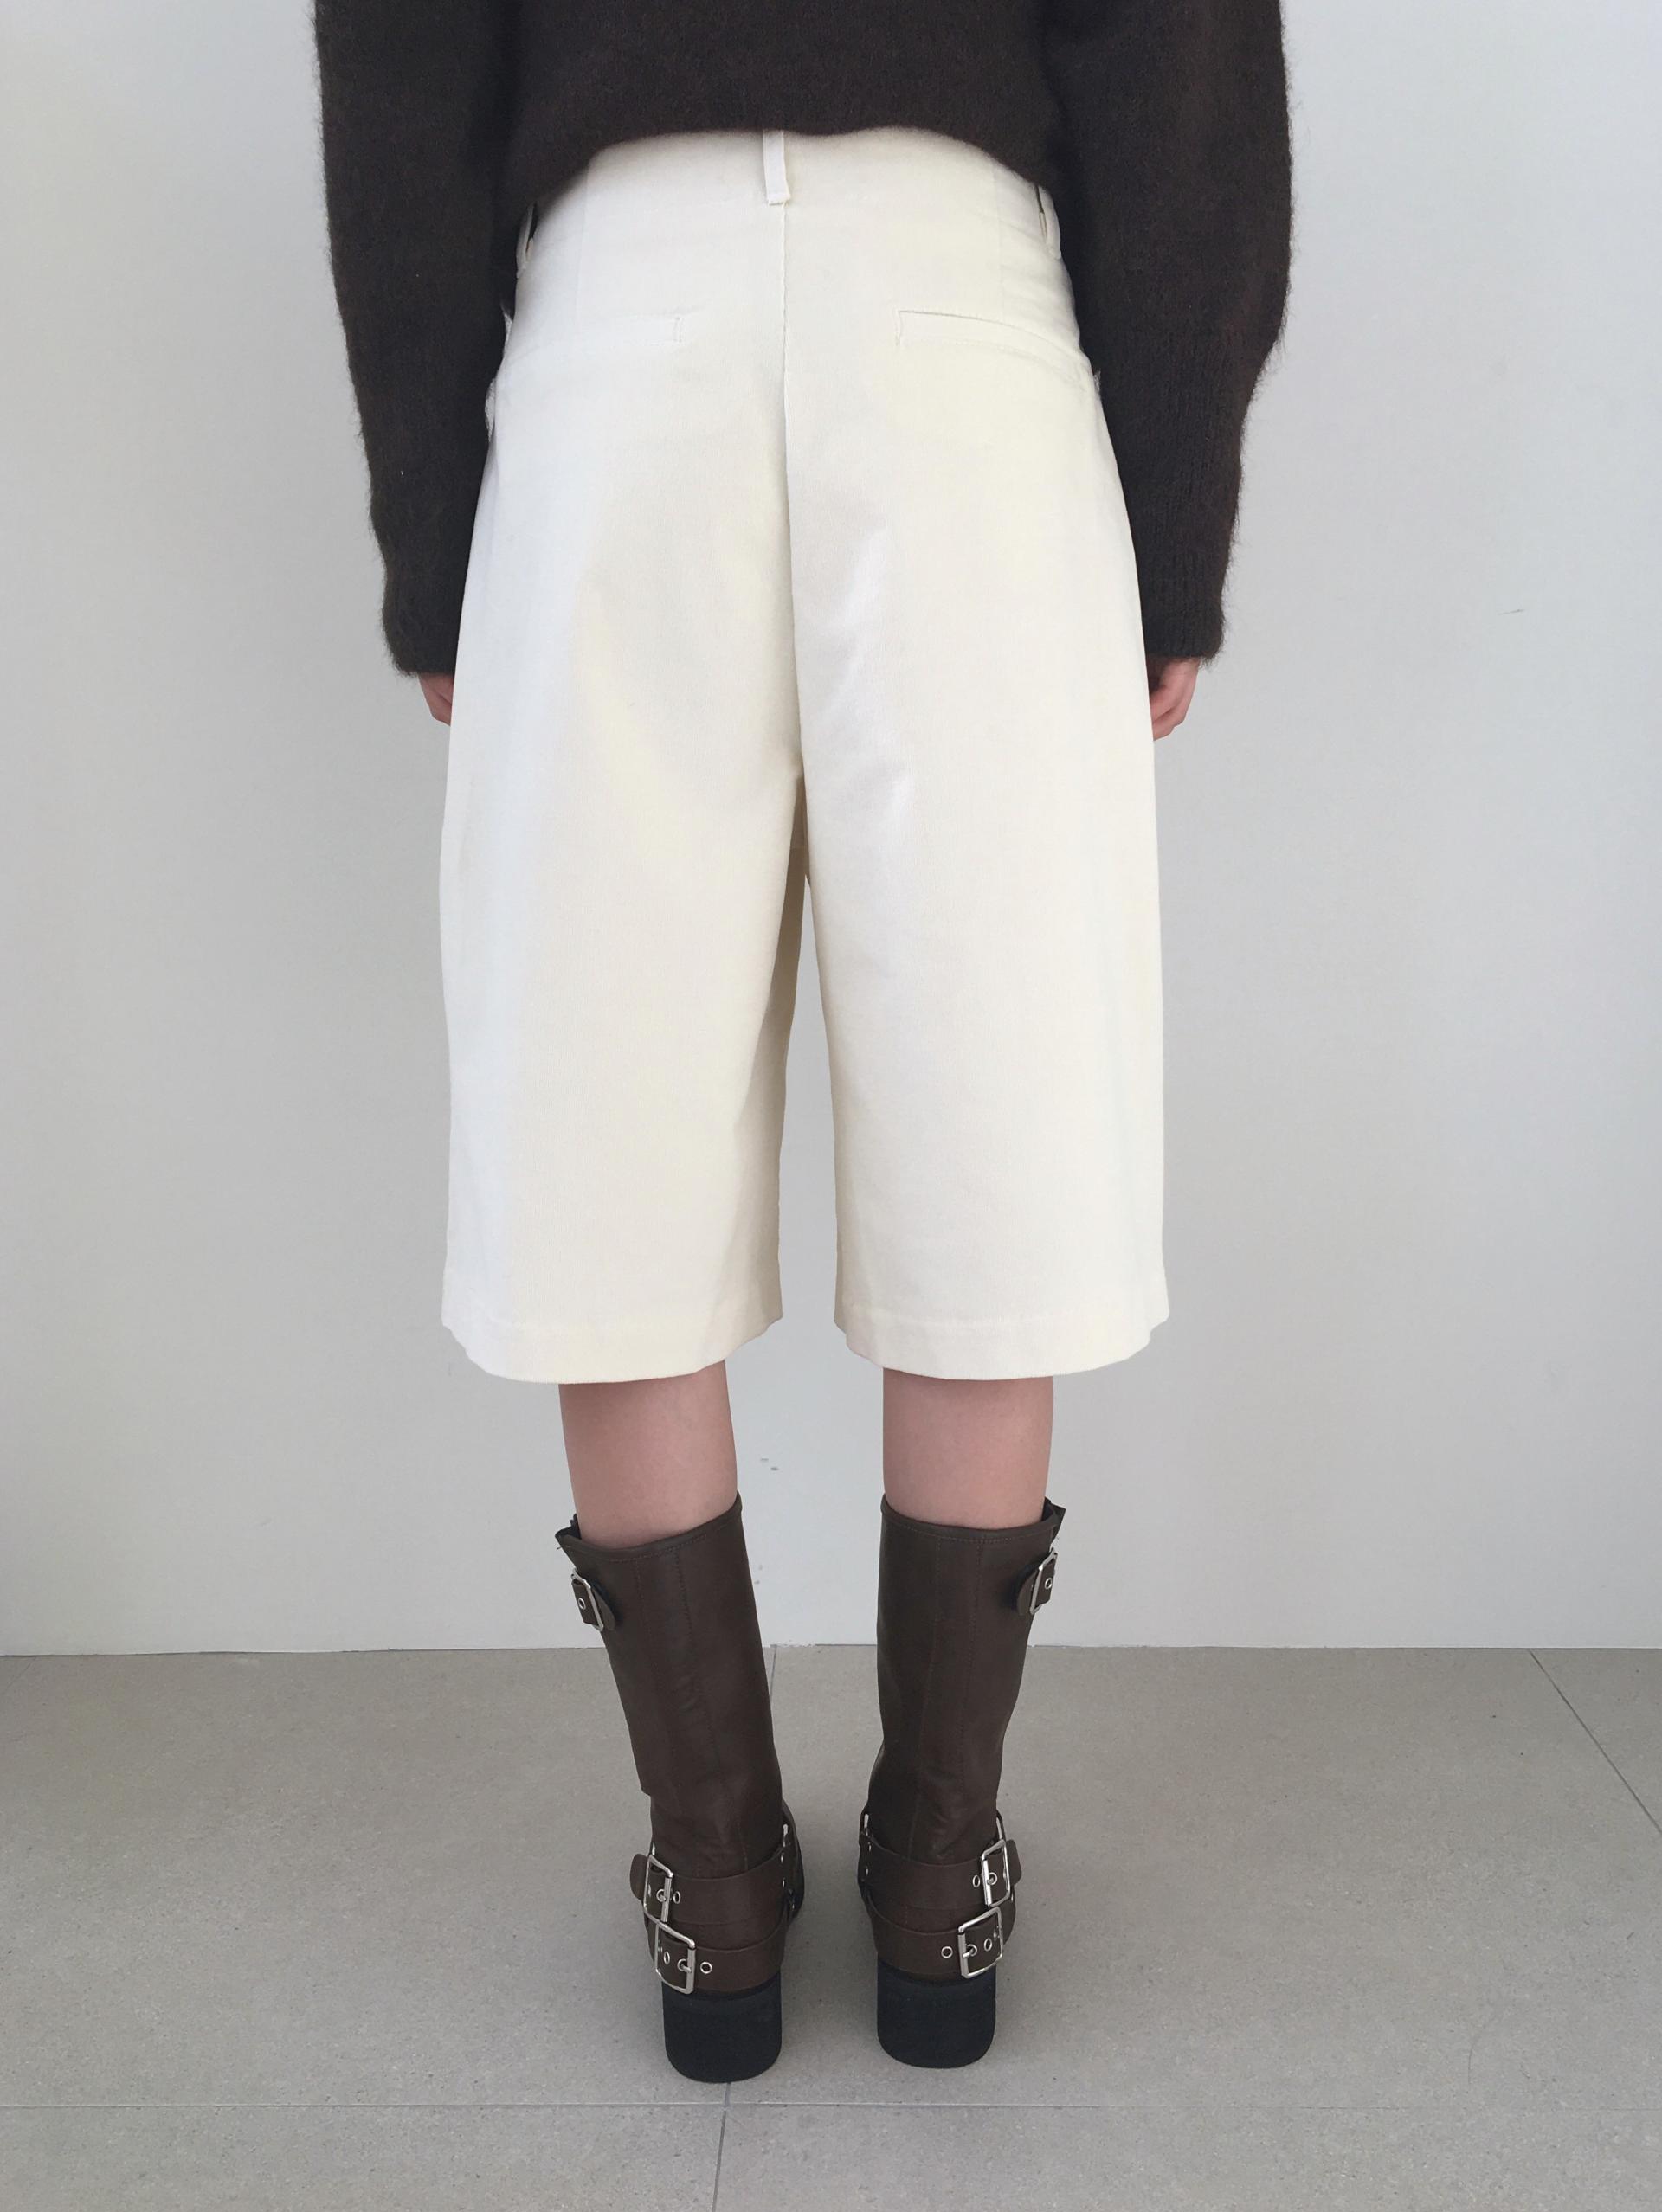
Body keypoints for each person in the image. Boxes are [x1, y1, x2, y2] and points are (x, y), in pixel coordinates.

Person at [314, 0, 1292, 2082]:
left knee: (607, 1117)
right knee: (999, 1094)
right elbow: (1178, 59)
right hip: (959, 339)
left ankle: (717, 1893)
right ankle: (938, 1875)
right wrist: (1173, 516)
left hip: (620, 344)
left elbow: (404, 59)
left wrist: (438, 533)